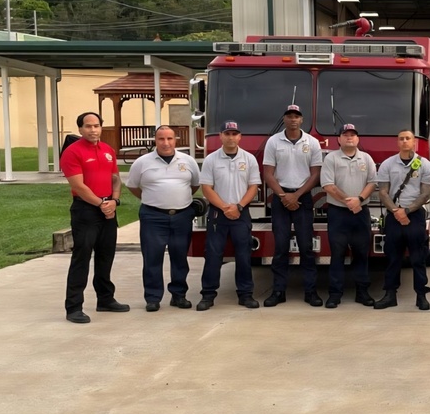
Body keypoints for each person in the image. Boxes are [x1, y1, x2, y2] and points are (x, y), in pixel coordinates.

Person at [59, 111, 128, 324]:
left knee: (105, 256)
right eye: (88, 126)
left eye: (96, 125)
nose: (93, 130)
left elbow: (115, 178)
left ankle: (105, 299)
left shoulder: (107, 150)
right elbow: (78, 186)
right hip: (86, 211)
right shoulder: (72, 152)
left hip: (108, 207)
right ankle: (74, 307)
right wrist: (100, 203)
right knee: (82, 257)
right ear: (80, 129)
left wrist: (114, 201)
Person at [126, 125, 201, 312]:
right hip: (153, 217)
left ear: (176, 140)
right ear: (155, 141)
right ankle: (152, 297)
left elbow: (194, 185)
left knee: (179, 257)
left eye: (169, 139)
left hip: (182, 216)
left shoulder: (188, 161)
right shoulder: (142, 162)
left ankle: (179, 295)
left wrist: (177, 200)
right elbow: (133, 186)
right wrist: (154, 199)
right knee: (152, 258)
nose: (166, 143)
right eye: (161, 139)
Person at [263, 104, 324, 308]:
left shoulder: (312, 142)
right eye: (289, 116)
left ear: (302, 119)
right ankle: (278, 291)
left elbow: (315, 174)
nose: (292, 119)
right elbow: (268, 174)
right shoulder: (273, 142)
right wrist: (283, 195)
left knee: (306, 247)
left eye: (296, 116)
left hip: (303, 198)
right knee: (280, 247)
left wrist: (296, 195)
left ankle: (311, 292)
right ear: (284, 119)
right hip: (280, 199)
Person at [197, 121, 261, 311]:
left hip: (241, 214)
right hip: (218, 214)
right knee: (213, 256)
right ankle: (208, 295)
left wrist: (239, 206)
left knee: (244, 255)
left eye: (235, 134)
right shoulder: (211, 159)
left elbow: (253, 187)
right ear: (221, 136)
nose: (231, 137)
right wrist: (226, 207)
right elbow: (206, 188)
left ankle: (245, 294)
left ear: (240, 137)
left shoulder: (249, 159)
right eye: (227, 134)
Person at [374, 130, 430, 310]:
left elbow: (425, 194)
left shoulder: (424, 165)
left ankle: (421, 295)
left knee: (418, 258)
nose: (404, 141)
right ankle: (390, 295)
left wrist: (407, 211)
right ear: (397, 143)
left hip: (414, 215)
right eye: (401, 139)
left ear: (414, 142)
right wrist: (396, 211)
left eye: (408, 138)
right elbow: (383, 192)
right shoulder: (387, 164)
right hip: (394, 215)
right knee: (393, 257)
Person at [319, 123, 377, 308]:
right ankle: (335, 294)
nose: (349, 137)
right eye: (345, 135)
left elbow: (372, 183)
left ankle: (362, 292)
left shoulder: (366, 158)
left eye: (353, 134)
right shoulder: (331, 159)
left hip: (361, 213)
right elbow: (328, 185)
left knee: (362, 253)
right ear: (339, 139)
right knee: (337, 254)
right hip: (338, 213)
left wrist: (359, 199)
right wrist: (348, 201)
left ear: (358, 138)